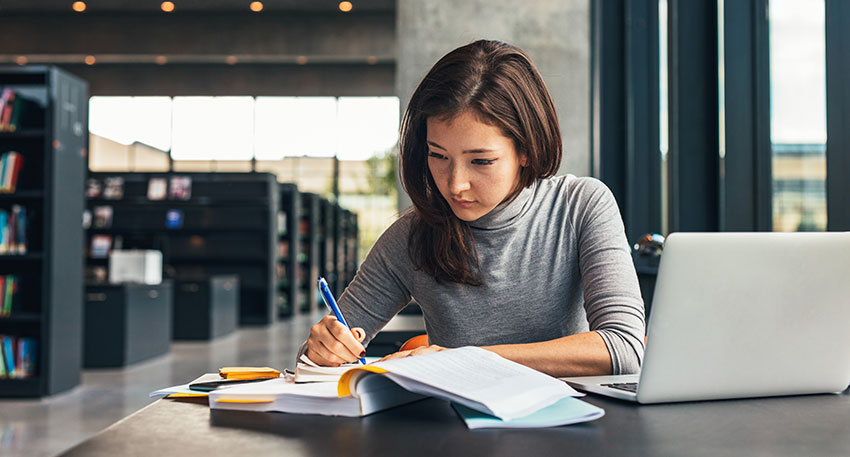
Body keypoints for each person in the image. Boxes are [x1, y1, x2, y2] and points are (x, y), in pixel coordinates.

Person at [304, 39, 645, 377]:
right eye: (438, 155)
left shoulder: (580, 206)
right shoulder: (411, 235)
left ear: (526, 150)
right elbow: (311, 363)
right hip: (456, 429)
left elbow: (624, 348)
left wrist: (460, 359)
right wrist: (320, 350)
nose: (455, 184)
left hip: (572, 425)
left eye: (481, 160)